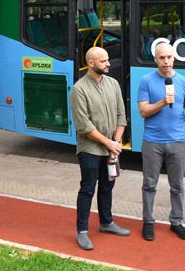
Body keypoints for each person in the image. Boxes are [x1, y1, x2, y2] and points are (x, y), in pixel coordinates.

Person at [69, 46, 130, 250]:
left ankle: (106, 223)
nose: (108, 64)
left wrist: (116, 143)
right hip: (90, 150)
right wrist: (109, 143)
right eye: (103, 61)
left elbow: (122, 116)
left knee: (107, 187)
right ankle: (82, 232)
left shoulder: (113, 84)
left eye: (108, 60)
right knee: (87, 189)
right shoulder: (79, 89)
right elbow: (84, 127)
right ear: (91, 63)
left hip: (111, 148)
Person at [137, 43, 185, 241]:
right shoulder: (146, 81)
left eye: (169, 57)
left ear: (174, 58)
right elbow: (143, 111)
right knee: (149, 184)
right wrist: (163, 101)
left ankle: (177, 222)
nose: (166, 61)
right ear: (155, 59)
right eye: (162, 58)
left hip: (178, 141)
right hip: (152, 141)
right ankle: (148, 222)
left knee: (177, 185)